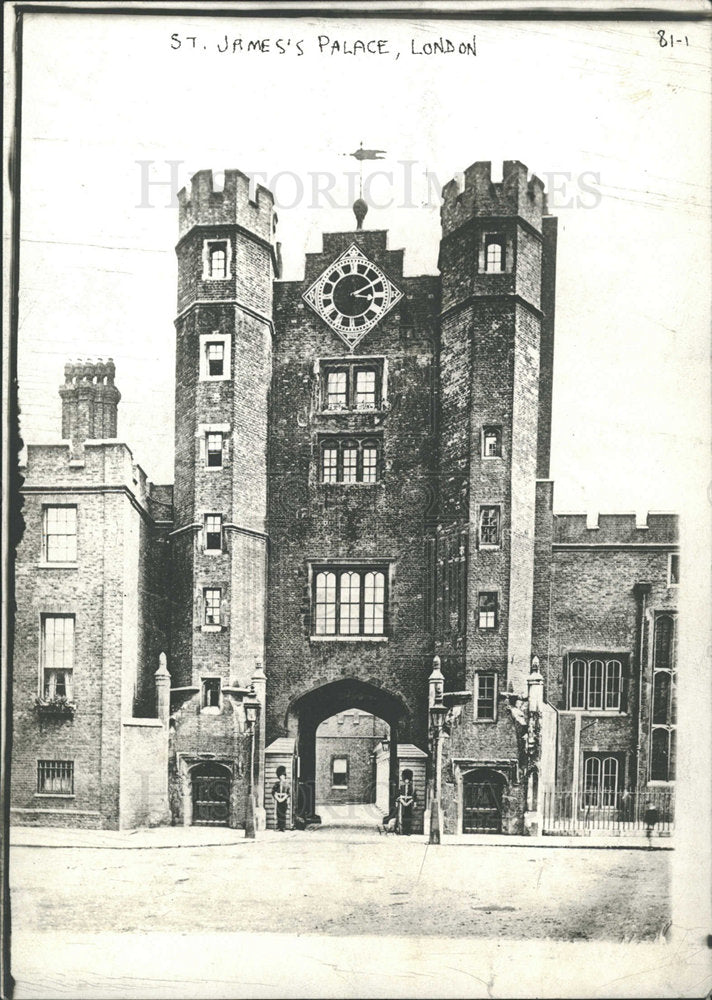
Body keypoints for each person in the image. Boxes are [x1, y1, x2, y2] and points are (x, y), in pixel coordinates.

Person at [396, 769, 417, 835]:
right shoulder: (401, 787)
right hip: (402, 804)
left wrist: (414, 803)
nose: (406, 781)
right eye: (405, 779)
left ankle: (408, 831)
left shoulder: (412, 788)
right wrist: (398, 801)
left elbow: (414, 796)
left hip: (409, 803)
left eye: (408, 779)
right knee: (402, 816)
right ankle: (403, 830)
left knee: (408, 817)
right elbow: (398, 795)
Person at [272, 765, 290, 831]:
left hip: (284, 800)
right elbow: (273, 792)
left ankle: (283, 827)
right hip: (278, 800)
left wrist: (283, 798)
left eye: (283, 776)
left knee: (283, 813)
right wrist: (277, 798)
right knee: (278, 813)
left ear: (285, 776)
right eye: (280, 776)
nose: (281, 777)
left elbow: (288, 793)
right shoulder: (277, 784)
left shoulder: (287, 784)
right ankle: (279, 827)